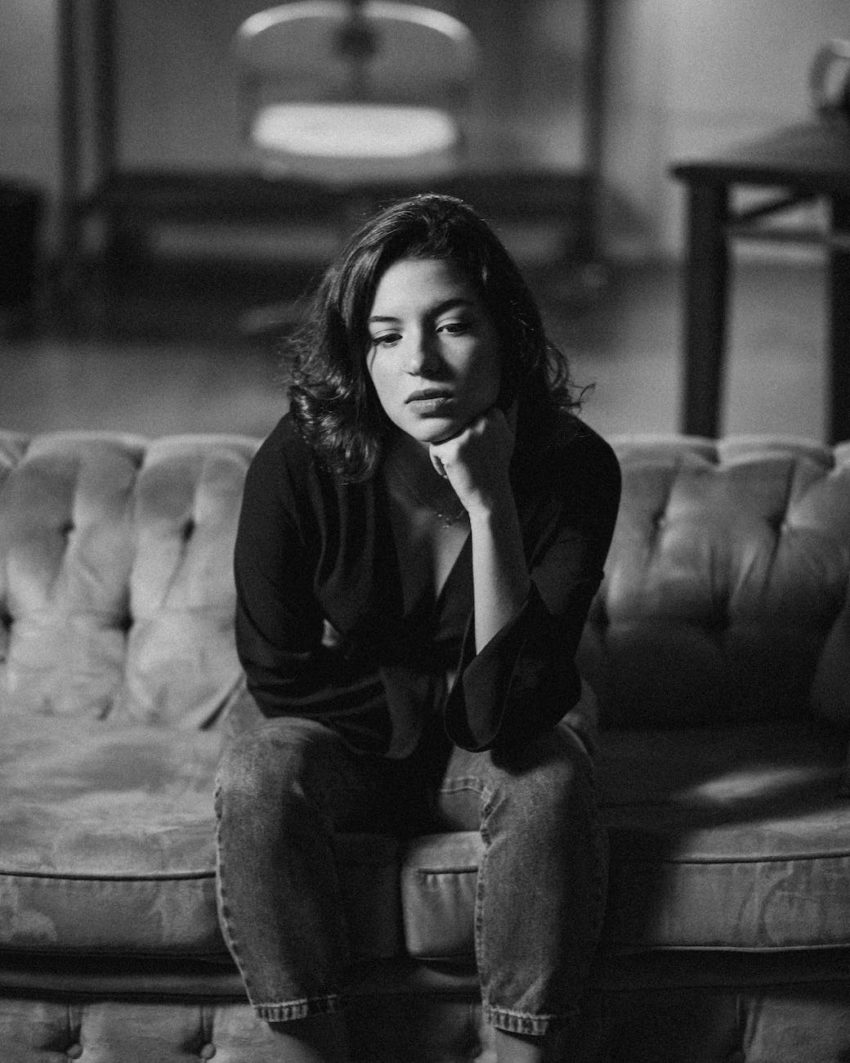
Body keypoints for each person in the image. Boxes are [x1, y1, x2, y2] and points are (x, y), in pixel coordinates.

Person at [215, 193, 621, 1063]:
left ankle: (521, 1053)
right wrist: (431, 707)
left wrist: (490, 503)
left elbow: (511, 711)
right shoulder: (300, 460)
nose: (422, 362)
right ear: (358, 354)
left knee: (547, 782)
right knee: (257, 772)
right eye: (386, 334)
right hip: (345, 718)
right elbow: (278, 668)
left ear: (505, 331)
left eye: (452, 325)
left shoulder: (576, 469)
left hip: (501, 719)